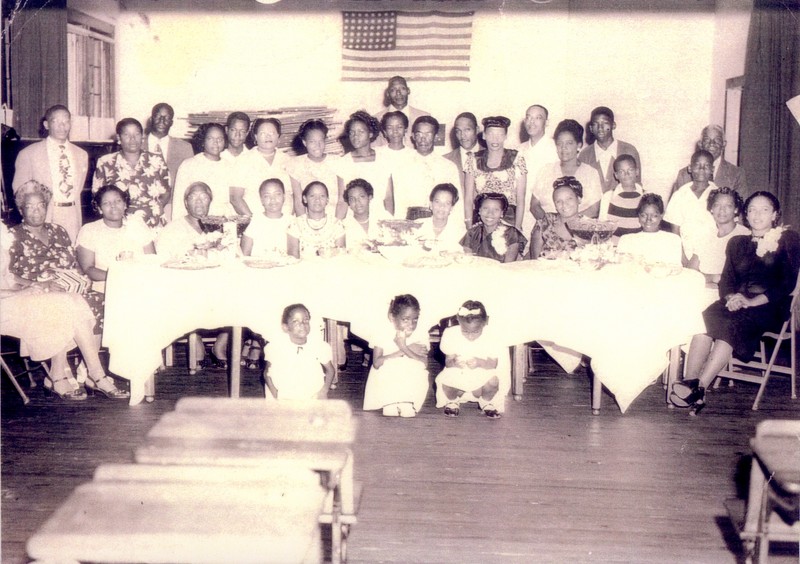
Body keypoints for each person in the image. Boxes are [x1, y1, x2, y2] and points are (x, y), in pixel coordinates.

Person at [670, 192, 800, 415]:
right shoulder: (737, 243)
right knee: (703, 319)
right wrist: (732, 298)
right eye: (752, 210)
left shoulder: (788, 239)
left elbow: (785, 285)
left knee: (730, 324)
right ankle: (691, 384)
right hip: (736, 301)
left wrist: (750, 301)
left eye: (764, 210)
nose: (757, 215)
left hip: (768, 306)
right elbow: (727, 281)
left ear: (775, 215)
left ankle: (700, 387)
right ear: (746, 215)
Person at [1, 223, 128, 400]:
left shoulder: (2, 233)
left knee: (71, 299)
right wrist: (20, 292)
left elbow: (8, 275)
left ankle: (93, 373)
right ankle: (64, 376)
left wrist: (32, 285)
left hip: (15, 296)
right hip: (5, 306)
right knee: (57, 305)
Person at [9, 180, 105, 338]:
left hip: (69, 289)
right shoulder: (12, 236)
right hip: (36, 293)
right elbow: (7, 275)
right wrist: (39, 284)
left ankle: (84, 362)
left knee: (103, 300)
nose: (37, 211)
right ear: (21, 210)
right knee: (70, 306)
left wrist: (83, 279)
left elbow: (75, 264)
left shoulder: (58, 230)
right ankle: (71, 362)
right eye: (30, 207)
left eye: (41, 205)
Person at [155, 181, 230, 369]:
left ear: (210, 201)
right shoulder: (172, 229)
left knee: (241, 296)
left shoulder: (220, 226)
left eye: (204, 197)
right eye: (193, 197)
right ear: (185, 202)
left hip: (217, 284)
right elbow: (164, 263)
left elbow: (231, 256)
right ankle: (194, 339)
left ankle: (220, 345)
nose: (199, 202)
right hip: (185, 286)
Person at [12, 105, 88, 242]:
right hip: (43, 215)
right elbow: (20, 194)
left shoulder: (82, 155)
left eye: (66, 121)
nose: (62, 126)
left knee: (70, 257)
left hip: (72, 215)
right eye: (56, 122)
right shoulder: (28, 154)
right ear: (46, 125)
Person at [434, 300, 508, 418]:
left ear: (485, 323)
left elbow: (493, 364)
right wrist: (455, 362)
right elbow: (448, 362)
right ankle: (452, 401)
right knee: (445, 379)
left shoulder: (492, 336)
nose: (470, 336)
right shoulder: (451, 333)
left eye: (475, 332)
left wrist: (479, 363)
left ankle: (486, 402)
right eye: (465, 331)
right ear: (458, 321)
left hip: (481, 375)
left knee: (493, 380)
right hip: (459, 374)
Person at [76, 185, 156, 294]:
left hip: (140, 285)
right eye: (106, 203)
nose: (113, 206)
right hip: (107, 290)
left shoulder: (137, 225)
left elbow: (152, 260)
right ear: (99, 209)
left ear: (124, 205)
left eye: (118, 201)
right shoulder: (89, 230)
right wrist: (118, 276)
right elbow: (88, 269)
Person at [93, 118, 171, 229]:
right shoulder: (105, 162)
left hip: (152, 223)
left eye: (137, 134)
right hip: (120, 225)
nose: (132, 139)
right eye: (127, 135)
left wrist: (153, 210)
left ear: (142, 137)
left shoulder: (156, 160)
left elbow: (167, 192)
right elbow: (97, 196)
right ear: (119, 138)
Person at [363, 294, 429, 417]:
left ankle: (406, 402)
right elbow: (377, 363)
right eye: (405, 319)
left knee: (418, 368)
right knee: (390, 365)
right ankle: (390, 403)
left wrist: (404, 347)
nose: (411, 324)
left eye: (415, 319)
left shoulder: (420, 334)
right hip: (386, 378)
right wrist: (404, 349)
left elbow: (424, 363)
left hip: (409, 380)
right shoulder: (382, 333)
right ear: (392, 317)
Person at [530, 119, 602, 221]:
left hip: (579, 230)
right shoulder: (546, 170)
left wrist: (566, 225)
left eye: (569, 143)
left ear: (579, 145)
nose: (564, 148)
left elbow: (594, 209)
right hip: (548, 229)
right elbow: (534, 206)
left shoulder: (590, 173)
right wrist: (552, 226)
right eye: (559, 143)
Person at [464, 116, 527, 230]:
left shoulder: (516, 159)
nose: (495, 139)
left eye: (500, 135)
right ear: (484, 135)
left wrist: (517, 228)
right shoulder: (473, 160)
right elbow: (468, 199)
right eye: (491, 134)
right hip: (481, 221)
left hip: (509, 221)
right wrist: (469, 227)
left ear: (505, 136)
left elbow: (521, 199)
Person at [395, 116, 462, 221]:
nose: (423, 139)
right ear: (413, 136)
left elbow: (457, 202)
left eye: (428, 134)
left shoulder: (448, 166)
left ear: (435, 137)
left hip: (440, 220)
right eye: (419, 134)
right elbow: (399, 202)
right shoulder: (402, 166)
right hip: (411, 220)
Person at [264, 303, 335, 400]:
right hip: (284, 394)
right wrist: (275, 394)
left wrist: (323, 391)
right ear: (285, 327)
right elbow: (267, 374)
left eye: (305, 320)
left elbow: (330, 370)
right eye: (295, 321)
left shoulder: (319, 346)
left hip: (312, 393)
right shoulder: (276, 347)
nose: (302, 324)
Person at [232, 118, 295, 218]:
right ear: (256, 137)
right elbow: (235, 198)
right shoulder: (243, 160)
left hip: (286, 221)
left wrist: (289, 219)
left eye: (272, 133)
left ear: (278, 136)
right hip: (255, 222)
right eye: (262, 133)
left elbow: (295, 195)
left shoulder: (289, 160)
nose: (268, 136)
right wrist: (254, 221)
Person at [335, 110, 393, 218]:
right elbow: (342, 202)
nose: (355, 136)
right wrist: (336, 227)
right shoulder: (343, 163)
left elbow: (388, 198)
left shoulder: (384, 159)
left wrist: (389, 224)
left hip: (380, 218)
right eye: (352, 132)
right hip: (353, 220)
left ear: (370, 133)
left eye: (360, 132)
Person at [172, 123, 236, 219]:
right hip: (197, 221)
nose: (216, 143)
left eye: (220, 139)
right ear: (203, 141)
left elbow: (232, 200)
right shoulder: (189, 165)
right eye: (210, 139)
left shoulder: (230, 166)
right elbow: (178, 202)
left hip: (224, 220)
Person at [686, 187, 750, 283]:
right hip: (701, 290)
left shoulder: (745, 236)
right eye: (717, 205)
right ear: (711, 209)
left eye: (728, 206)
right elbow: (690, 272)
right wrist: (712, 278)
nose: (722, 210)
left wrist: (708, 278)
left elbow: (740, 278)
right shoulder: (705, 235)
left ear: (736, 209)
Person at [664, 149, 719, 261]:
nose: (702, 169)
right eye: (697, 165)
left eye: (706, 166)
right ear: (690, 168)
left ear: (712, 169)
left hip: (712, 251)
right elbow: (675, 231)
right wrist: (682, 257)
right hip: (685, 251)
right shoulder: (680, 195)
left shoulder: (718, 194)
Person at [517, 104, 559, 246]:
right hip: (520, 213)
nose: (532, 122)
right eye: (528, 117)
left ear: (546, 122)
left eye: (537, 118)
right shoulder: (519, 150)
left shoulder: (555, 149)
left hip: (544, 213)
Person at [671, 124, 747, 197]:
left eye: (717, 140)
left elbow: (740, 207)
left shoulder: (737, 174)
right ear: (700, 144)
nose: (712, 143)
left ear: (724, 144)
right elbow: (675, 207)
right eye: (707, 140)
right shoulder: (684, 174)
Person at [578, 106, 642, 193]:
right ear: (591, 128)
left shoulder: (629, 150)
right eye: (596, 123)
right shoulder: (584, 155)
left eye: (605, 123)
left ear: (613, 125)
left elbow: (637, 185)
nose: (600, 127)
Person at [286, 119, 340, 217]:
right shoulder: (295, 164)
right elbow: (298, 201)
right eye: (312, 142)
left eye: (321, 141)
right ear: (304, 142)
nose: (317, 146)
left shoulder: (337, 162)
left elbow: (342, 199)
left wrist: (336, 224)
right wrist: (304, 227)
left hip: (334, 217)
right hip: (308, 219)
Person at [616, 193, 682, 266]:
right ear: (639, 216)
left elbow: (675, 268)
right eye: (644, 215)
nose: (648, 220)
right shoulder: (626, 240)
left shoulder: (673, 240)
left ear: (661, 216)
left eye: (654, 216)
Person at [461, 192, 526, 262]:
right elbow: (468, 260)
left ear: (502, 213)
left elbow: (508, 264)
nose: (490, 213)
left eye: (496, 209)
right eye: (486, 208)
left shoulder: (512, 234)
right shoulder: (472, 233)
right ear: (479, 211)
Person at [287, 181, 345, 259]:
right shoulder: (295, 224)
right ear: (305, 199)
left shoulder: (336, 224)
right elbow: (292, 258)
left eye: (322, 196)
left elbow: (342, 256)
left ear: (327, 200)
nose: (317, 200)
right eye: (312, 196)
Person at [529, 177, 582, 259]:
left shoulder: (589, 228)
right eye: (559, 201)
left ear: (578, 199)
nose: (564, 204)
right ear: (555, 206)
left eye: (569, 199)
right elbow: (535, 261)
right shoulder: (544, 223)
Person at [145, 102, 194, 191]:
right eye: (158, 116)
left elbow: (190, 181)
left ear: (171, 123)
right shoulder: (137, 145)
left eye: (166, 118)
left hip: (172, 202)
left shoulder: (185, 148)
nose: (162, 121)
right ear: (151, 119)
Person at [373, 76, 430, 148]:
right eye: (393, 90)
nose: (398, 93)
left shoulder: (423, 116)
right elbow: (375, 147)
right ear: (387, 93)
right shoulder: (377, 118)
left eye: (402, 88)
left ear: (408, 90)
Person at [240, 178, 292, 256]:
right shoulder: (256, 221)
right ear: (261, 200)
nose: (273, 199)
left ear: (284, 197)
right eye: (267, 196)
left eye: (277, 194)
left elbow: (294, 256)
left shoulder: (291, 221)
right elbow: (244, 254)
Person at [598, 154, 644, 240]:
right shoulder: (608, 197)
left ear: (637, 171)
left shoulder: (645, 197)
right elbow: (602, 226)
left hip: (638, 246)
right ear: (616, 175)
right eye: (621, 171)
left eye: (630, 170)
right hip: (615, 247)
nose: (626, 174)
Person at [341, 178, 390, 251]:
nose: (357, 202)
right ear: (349, 203)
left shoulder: (384, 219)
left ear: (369, 197)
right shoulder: (343, 226)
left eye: (361, 197)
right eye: (352, 199)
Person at [416, 183, 466, 252]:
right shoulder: (416, 226)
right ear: (431, 204)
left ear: (451, 208)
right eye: (437, 201)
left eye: (447, 203)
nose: (442, 206)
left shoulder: (460, 232)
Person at [443, 112, 482, 191]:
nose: (462, 135)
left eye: (467, 130)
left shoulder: (491, 156)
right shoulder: (445, 160)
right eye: (458, 131)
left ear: (477, 130)